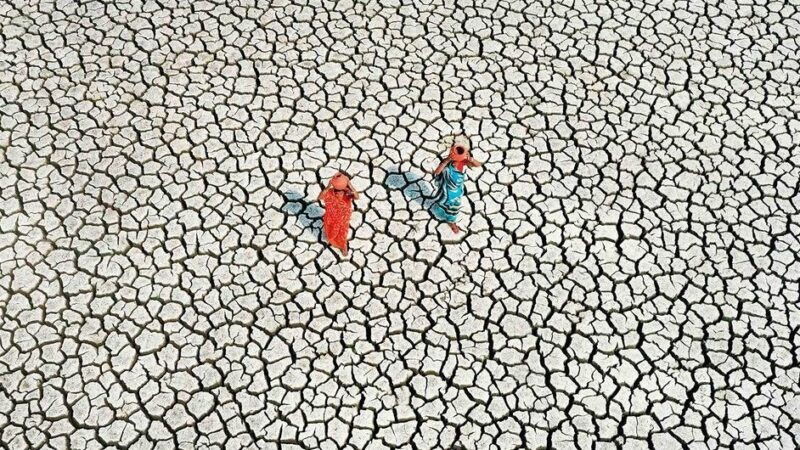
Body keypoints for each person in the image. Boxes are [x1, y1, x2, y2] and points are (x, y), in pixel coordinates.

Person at [430, 143, 481, 233]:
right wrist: (446, 160)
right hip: (447, 190)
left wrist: (470, 159)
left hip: (457, 190)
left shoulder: (463, 162)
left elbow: (478, 165)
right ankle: (451, 221)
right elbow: (437, 172)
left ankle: (450, 219)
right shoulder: (446, 163)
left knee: (453, 206)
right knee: (447, 203)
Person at [318, 171, 359, 255]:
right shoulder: (334, 192)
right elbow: (357, 197)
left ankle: (343, 246)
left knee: (340, 233)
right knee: (338, 232)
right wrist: (350, 186)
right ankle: (339, 244)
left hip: (341, 218)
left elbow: (320, 197)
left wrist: (328, 187)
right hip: (333, 217)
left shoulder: (345, 192)